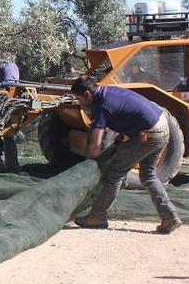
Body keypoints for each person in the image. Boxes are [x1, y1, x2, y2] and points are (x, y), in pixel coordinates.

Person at [71, 75, 182, 234]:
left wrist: (89, 166)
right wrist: (126, 134)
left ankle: (98, 216)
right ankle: (170, 217)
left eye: (78, 98)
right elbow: (127, 114)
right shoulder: (108, 91)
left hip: (149, 134)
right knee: (148, 175)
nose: (79, 103)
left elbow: (96, 145)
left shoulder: (101, 105)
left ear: (87, 94)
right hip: (163, 129)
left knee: (115, 173)